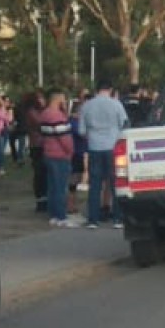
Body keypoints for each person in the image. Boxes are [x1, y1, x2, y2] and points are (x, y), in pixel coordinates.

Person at [78, 80, 128, 229]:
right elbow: (124, 124)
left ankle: (93, 219)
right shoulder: (116, 105)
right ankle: (118, 218)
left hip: (94, 147)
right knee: (115, 184)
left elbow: (81, 131)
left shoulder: (87, 106)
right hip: (113, 147)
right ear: (110, 89)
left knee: (95, 185)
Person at [38, 91, 78, 227]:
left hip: (48, 153)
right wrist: (70, 151)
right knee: (61, 187)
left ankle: (54, 215)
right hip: (60, 155)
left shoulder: (44, 114)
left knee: (52, 186)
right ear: (58, 99)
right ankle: (61, 216)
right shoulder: (56, 115)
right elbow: (64, 137)